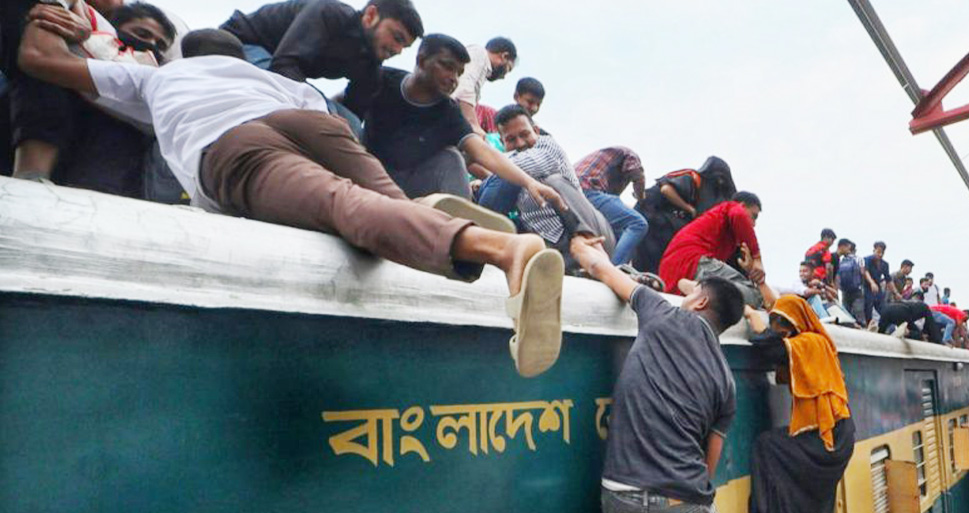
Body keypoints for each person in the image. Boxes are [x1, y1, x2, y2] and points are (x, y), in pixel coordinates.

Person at [19, 26, 569, 378]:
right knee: (375, 194)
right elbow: (338, 124)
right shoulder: (263, 76)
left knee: (340, 206)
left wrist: (46, 18)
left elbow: (37, 60)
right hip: (306, 118)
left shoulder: (162, 76)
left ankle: (503, 251)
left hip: (232, 144)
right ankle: (418, 206)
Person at [569, 235, 745, 513]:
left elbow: (600, 268)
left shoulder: (659, 313)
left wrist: (580, 245)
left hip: (620, 499)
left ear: (701, 300)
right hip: (680, 505)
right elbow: (709, 465)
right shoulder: (726, 382)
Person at [351, 34, 565, 202]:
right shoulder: (382, 80)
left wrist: (528, 183)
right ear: (421, 60)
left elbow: (481, 152)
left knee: (451, 157)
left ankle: (463, 224)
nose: (454, 78)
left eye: (459, 72)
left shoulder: (447, 111)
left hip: (408, 184)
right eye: (447, 67)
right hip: (363, 172)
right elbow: (342, 109)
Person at [744, 296, 854, 513]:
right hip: (829, 435)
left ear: (792, 323)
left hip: (829, 436)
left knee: (767, 447)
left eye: (780, 322)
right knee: (806, 499)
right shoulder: (811, 343)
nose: (778, 329)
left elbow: (764, 344)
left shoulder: (810, 342)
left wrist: (755, 317)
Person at [10, 1, 176, 196]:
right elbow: (37, 59)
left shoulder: (158, 81)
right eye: (142, 34)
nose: (151, 45)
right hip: (26, 136)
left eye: (160, 44)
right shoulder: (67, 35)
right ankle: (30, 174)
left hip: (109, 177)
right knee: (47, 76)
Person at [219, 0, 423, 119]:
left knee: (346, 122)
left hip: (279, 67)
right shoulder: (329, 14)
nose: (397, 50)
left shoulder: (371, 67)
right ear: (370, 16)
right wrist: (324, 112)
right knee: (309, 104)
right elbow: (284, 66)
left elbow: (353, 116)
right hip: (242, 44)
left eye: (404, 46)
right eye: (396, 37)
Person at [478, 105, 592, 253]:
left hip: (566, 234)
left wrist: (476, 153)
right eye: (511, 139)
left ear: (536, 131)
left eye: (524, 134)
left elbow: (511, 166)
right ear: (502, 142)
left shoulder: (548, 147)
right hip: (534, 230)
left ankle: (480, 229)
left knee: (503, 179)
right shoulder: (512, 160)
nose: (520, 143)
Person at [658, 192, 775, 309]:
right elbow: (738, 214)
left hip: (673, 278)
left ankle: (702, 289)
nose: (753, 225)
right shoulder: (731, 207)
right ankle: (703, 289)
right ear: (742, 205)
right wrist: (756, 257)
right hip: (694, 262)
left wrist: (750, 270)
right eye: (753, 216)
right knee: (754, 296)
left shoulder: (721, 228)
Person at [633, 156, 736, 273]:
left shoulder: (702, 190)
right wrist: (689, 209)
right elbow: (666, 189)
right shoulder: (693, 178)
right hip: (650, 210)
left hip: (658, 215)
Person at [575, 146, 648, 265]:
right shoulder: (630, 154)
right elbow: (638, 176)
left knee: (617, 230)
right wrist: (641, 197)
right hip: (588, 191)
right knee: (638, 224)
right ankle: (614, 269)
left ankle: (597, 263)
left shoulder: (604, 163)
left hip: (570, 194)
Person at [450, 36, 517, 137]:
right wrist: (474, 125)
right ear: (504, 56)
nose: (503, 77)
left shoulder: (481, 69)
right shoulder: (480, 53)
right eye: (508, 68)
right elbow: (464, 88)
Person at [876, 297, 941, 342]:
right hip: (903, 311)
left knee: (881, 330)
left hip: (887, 310)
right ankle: (908, 332)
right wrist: (936, 340)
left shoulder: (913, 304)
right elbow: (932, 326)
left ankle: (874, 329)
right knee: (917, 333)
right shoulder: (925, 308)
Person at [862, 241, 893, 326]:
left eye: (882, 253)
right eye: (878, 252)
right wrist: (872, 283)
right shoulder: (866, 259)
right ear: (874, 250)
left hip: (878, 290)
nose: (880, 254)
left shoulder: (885, 264)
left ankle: (887, 327)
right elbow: (865, 272)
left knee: (883, 309)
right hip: (867, 288)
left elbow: (888, 279)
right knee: (868, 308)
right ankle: (868, 325)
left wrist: (896, 293)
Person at [835, 240, 866, 324]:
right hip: (857, 290)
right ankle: (862, 328)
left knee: (845, 312)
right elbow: (863, 272)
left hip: (844, 290)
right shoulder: (859, 259)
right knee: (859, 313)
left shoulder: (842, 260)